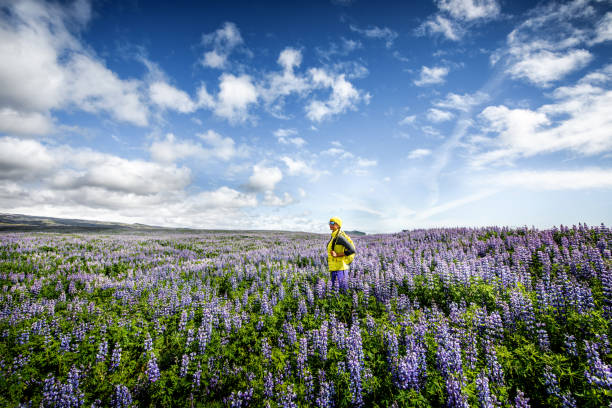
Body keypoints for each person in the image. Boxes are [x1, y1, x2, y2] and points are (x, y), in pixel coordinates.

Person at [327, 217, 356, 292]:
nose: (330, 224)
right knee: (335, 290)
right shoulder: (334, 236)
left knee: (342, 290)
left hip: (340, 268)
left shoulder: (340, 237)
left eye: (332, 223)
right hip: (335, 267)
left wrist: (337, 255)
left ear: (338, 225)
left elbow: (352, 250)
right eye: (329, 223)